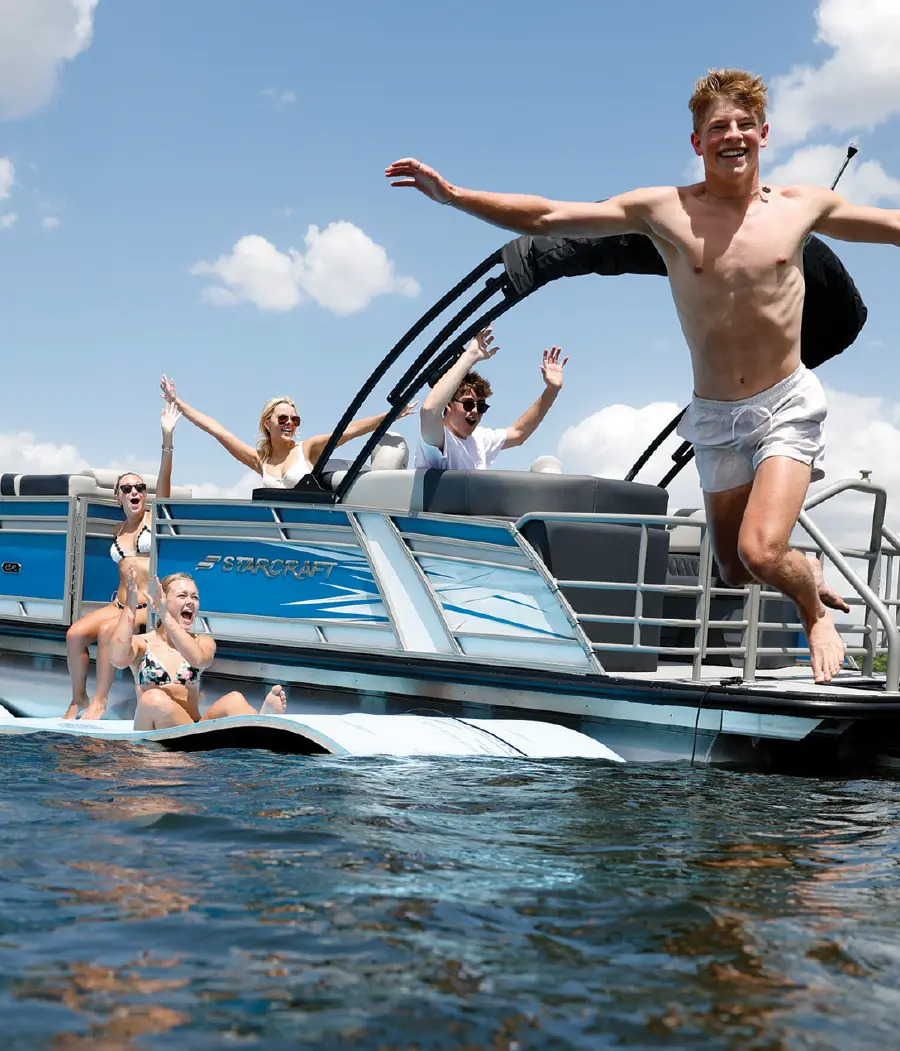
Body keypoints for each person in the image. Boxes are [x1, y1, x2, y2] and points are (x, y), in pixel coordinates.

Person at [385, 68, 900, 684]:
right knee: (736, 568)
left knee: (760, 550)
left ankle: (813, 609)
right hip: (713, 414)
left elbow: (893, 227)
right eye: (716, 128)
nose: (731, 136)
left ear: (764, 134)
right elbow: (551, 217)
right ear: (697, 143)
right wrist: (456, 196)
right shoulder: (665, 210)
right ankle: (804, 570)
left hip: (785, 402)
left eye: (742, 126)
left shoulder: (801, 207)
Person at [64, 402, 181, 720]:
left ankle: (101, 701)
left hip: (144, 607)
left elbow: (165, 481)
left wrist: (167, 440)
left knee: (106, 633)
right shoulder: (118, 528)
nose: (135, 492)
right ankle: (79, 698)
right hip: (119, 603)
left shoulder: (153, 520)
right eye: (127, 488)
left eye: (140, 488)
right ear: (117, 496)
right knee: (75, 634)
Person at [106, 567, 288, 730]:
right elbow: (118, 659)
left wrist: (165, 616)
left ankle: (262, 725)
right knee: (153, 699)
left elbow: (198, 660)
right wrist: (130, 607)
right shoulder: (142, 644)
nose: (191, 601)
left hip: (190, 729)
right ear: (161, 601)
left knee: (234, 698)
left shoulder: (203, 642)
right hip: (153, 731)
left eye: (195, 597)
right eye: (182, 596)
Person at [160, 376, 415, 488]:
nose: (289, 423)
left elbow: (349, 430)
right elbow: (218, 431)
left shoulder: (308, 449)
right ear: (267, 423)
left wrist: (390, 415)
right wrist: (178, 403)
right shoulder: (260, 460)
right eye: (282, 418)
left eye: (295, 420)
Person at [417, 325, 568, 470]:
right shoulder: (438, 437)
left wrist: (552, 390)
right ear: (449, 404)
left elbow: (518, 434)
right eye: (468, 404)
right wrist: (470, 356)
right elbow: (429, 410)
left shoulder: (479, 439)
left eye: (481, 406)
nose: (475, 411)